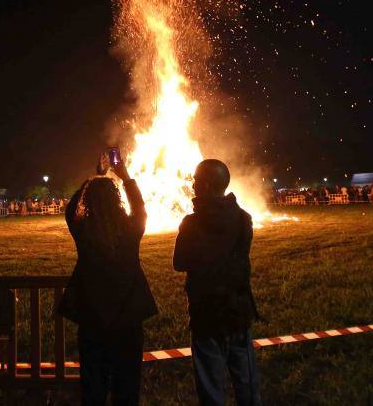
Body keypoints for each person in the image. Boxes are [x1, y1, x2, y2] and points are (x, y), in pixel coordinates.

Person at [57, 154, 158, 405]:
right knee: (127, 381)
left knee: (93, 383)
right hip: (128, 318)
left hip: (92, 317)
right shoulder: (132, 230)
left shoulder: (83, 231)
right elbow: (140, 209)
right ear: (117, 201)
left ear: (87, 202)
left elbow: (71, 211)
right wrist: (125, 177)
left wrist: (95, 178)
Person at [173, 159, 261, 406]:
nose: (192, 185)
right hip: (237, 311)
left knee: (210, 386)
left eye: (197, 180)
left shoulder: (192, 222)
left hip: (207, 314)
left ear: (209, 185)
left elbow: (179, 262)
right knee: (247, 383)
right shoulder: (244, 219)